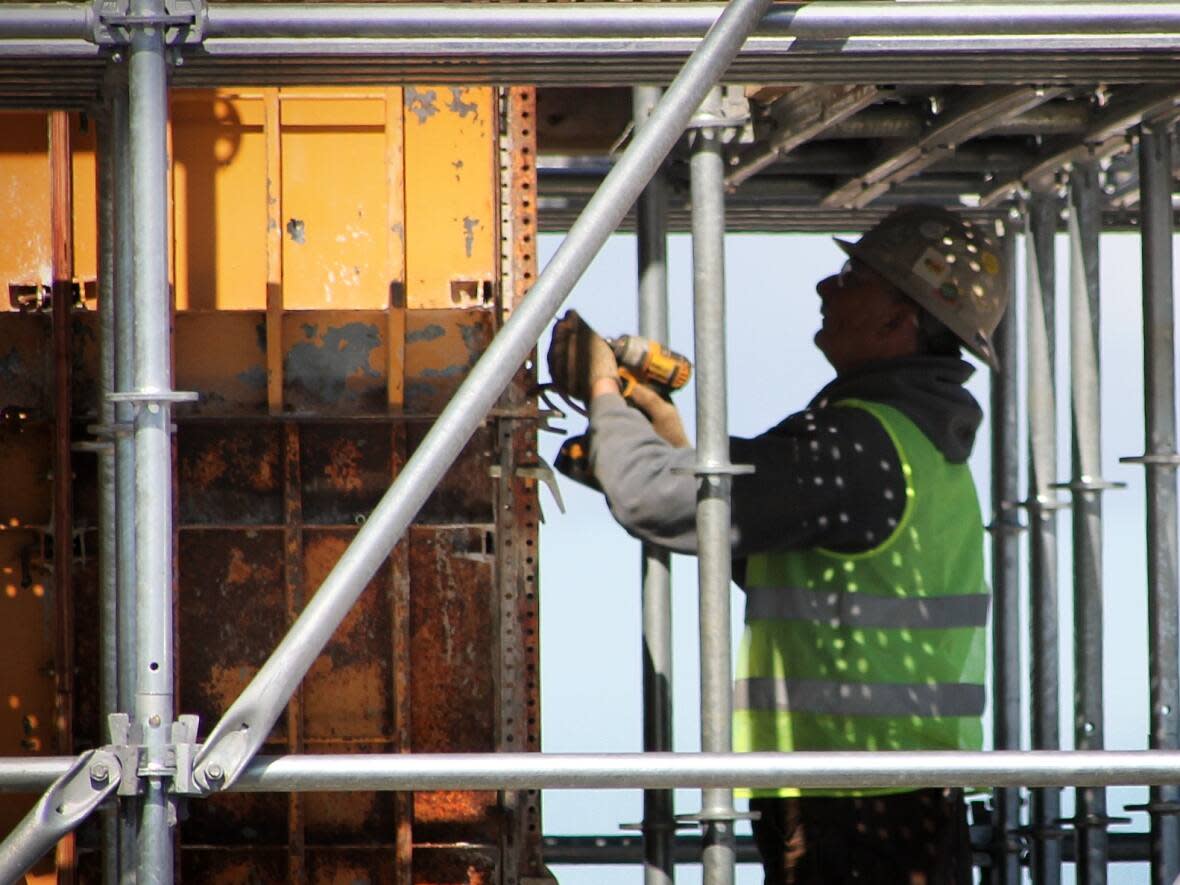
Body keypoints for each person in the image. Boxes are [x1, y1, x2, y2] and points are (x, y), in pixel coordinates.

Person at [546, 205, 1009, 885]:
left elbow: (650, 496)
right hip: (886, 803)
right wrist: (670, 434)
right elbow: (770, 553)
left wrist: (604, 391)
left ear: (898, 319)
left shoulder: (858, 446)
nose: (827, 287)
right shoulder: (914, 441)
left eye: (855, 275)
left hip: (854, 815)